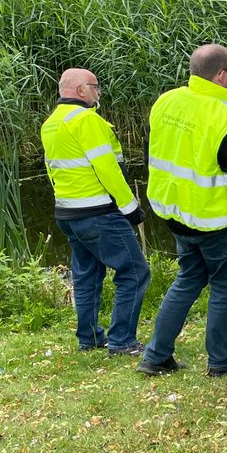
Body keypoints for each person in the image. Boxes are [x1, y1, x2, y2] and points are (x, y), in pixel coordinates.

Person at [138, 44, 227, 378]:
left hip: (178, 213)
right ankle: (222, 361)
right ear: (223, 74)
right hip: (215, 220)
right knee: (226, 285)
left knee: (188, 279)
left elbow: (155, 152)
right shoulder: (226, 116)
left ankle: (155, 357)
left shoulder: (166, 102)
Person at [40, 68, 150, 355]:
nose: (98, 92)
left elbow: (53, 170)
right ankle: (122, 340)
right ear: (80, 90)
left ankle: (89, 338)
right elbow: (107, 168)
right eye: (95, 87)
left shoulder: (51, 123)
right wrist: (130, 207)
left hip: (68, 213)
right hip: (98, 212)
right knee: (135, 270)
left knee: (87, 275)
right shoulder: (86, 119)